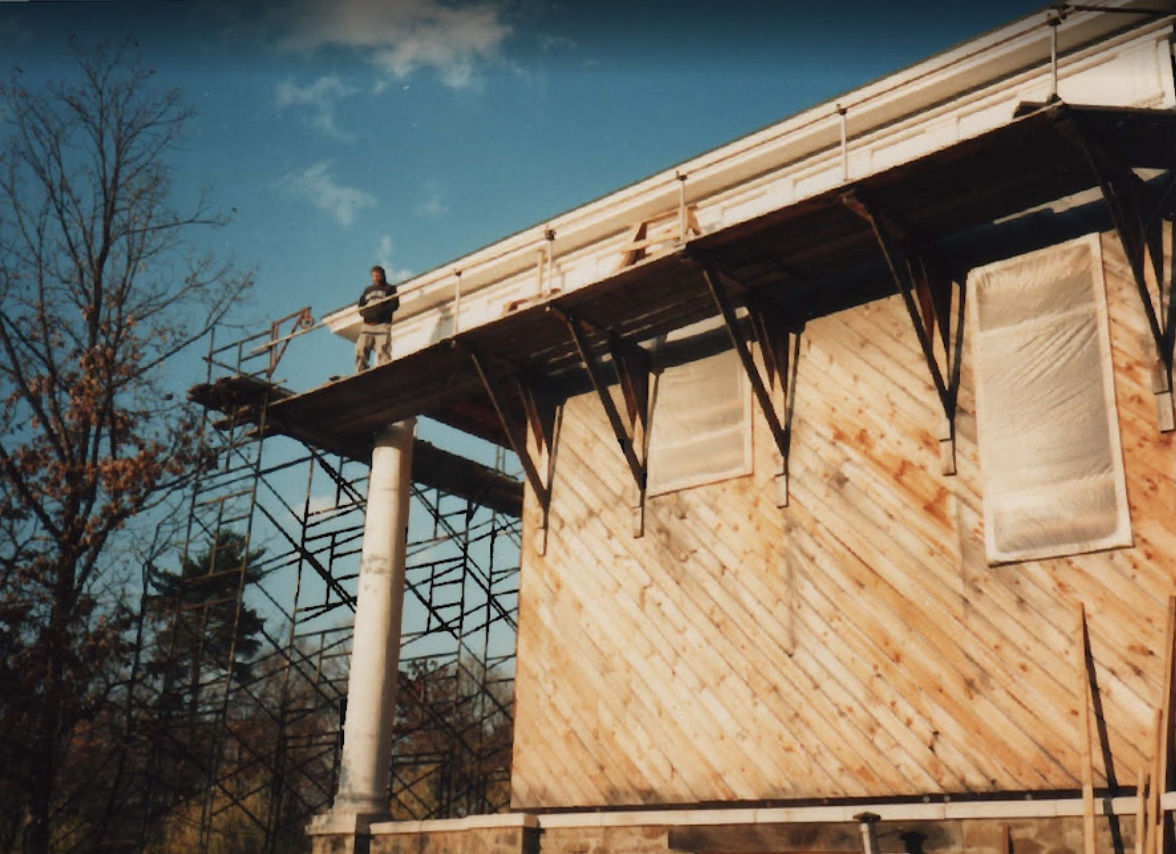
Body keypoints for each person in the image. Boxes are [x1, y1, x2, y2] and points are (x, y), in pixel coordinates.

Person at [354, 265, 399, 372]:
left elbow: (394, 305)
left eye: (378, 275)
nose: (376, 278)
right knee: (360, 349)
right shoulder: (367, 290)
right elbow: (361, 306)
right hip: (367, 326)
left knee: (382, 349)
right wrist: (366, 314)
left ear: (383, 275)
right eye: (373, 276)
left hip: (382, 325)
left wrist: (381, 313)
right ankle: (361, 371)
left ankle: (385, 370)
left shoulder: (390, 288)